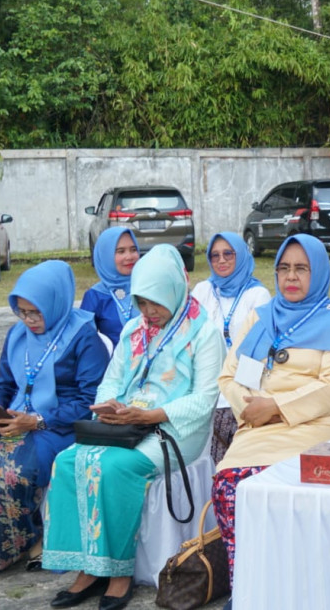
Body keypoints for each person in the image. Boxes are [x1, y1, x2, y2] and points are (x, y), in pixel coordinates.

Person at [43, 245, 222, 610]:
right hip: (125, 423)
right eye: (141, 303)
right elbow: (111, 381)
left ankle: (118, 572)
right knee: (66, 461)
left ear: (174, 289)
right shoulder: (133, 331)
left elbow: (204, 401)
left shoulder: (204, 335)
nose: (149, 312)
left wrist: (149, 415)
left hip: (175, 429)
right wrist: (110, 407)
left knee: (116, 467)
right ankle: (87, 568)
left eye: (155, 302)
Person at [212, 234, 330, 583]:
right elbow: (229, 376)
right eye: (284, 268)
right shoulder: (261, 318)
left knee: (297, 498)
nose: (291, 277)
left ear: (320, 272)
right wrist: (252, 408)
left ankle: (300, 588)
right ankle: (249, 587)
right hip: (259, 429)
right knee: (230, 487)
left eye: (301, 269)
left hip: (315, 427)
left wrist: (276, 406)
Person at [0, 261, 109, 577]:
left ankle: (25, 540)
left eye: (36, 312)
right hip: (13, 424)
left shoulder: (83, 338)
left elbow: (89, 401)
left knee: (10, 473)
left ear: (56, 302)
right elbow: (3, 384)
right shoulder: (17, 335)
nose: (29, 320)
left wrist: (36, 421)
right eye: (22, 312)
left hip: (58, 426)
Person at [190, 233, 272, 464]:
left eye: (228, 254)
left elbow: (259, 348)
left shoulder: (256, 294)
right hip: (206, 383)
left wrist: (238, 396)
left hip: (242, 384)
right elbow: (190, 335)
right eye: (215, 255)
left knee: (229, 448)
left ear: (241, 255)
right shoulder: (203, 290)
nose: (221, 260)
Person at [81, 227, 140, 344]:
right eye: (121, 251)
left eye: (133, 250)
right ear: (106, 255)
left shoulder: (148, 286)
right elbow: (84, 342)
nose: (129, 257)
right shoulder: (95, 296)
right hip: (112, 361)